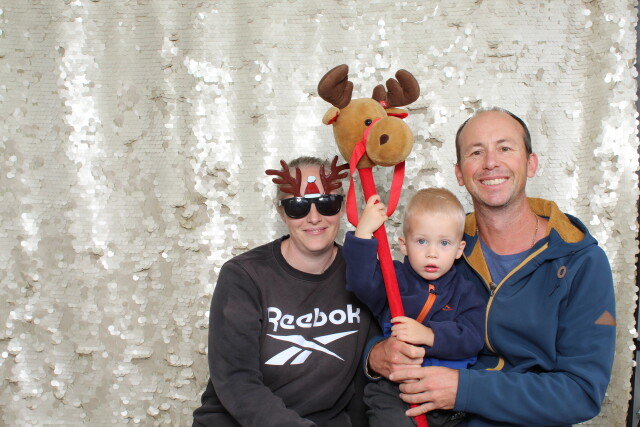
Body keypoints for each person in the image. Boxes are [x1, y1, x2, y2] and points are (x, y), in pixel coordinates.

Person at [367, 107, 616, 426]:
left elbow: (581, 393)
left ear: (531, 163)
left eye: (505, 148)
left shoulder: (581, 262)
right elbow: (389, 310)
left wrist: (466, 389)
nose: (490, 163)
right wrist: (374, 355)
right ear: (459, 173)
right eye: (476, 152)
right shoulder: (440, 246)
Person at [193, 156, 377, 427]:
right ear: (282, 213)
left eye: (327, 203)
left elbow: (370, 376)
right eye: (297, 206)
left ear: (341, 207)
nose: (314, 218)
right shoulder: (244, 276)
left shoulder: (364, 275)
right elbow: (236, 379)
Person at [343, 188, 485, 427]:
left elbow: (473, 338)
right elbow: (360, 281)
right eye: (421, 241)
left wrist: (430, 335)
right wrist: (363, 234)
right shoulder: (393, 279)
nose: (432, 253)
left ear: (459, 249)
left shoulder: (465, 291)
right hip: (394, 390)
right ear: (404, 245)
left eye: (444, 243)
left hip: (445, 395)